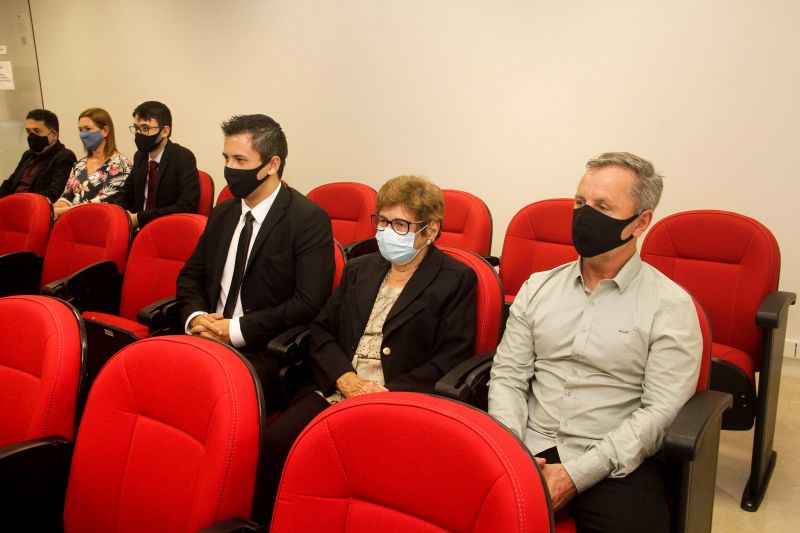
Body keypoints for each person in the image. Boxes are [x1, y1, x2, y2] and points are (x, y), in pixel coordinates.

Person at [488, 152, 702, 533]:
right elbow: (508, 376)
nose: (585, 215)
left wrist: (575, 474)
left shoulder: (669, 306)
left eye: (602, 207)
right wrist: (512, 450)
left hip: (611, 461)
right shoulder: (538, 288)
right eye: (580, 203)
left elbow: (659, 412)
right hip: (527, 443)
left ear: (641, 222)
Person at [261, 175, 478, 521]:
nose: (387, 232)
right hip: (337, 387)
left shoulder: (456, 279)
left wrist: (383, 393)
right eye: (383, 221)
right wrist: (345, 379)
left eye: (401, 225)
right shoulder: (360, 268)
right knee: (277, 442)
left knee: (361, 470)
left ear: (431, 230)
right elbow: (323, 329)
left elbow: (451, 358)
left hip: (396, 399)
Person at [176, 114, 334, 408]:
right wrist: (197, 317)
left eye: (240, 160)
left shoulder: (308, 219)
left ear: (272, 165)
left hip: (262, 350)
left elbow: (308, 303)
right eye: (226, 158)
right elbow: (190, 276)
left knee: (199, 397)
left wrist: (235, 330)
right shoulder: (223, 214)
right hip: (204, 335)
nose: (229, 169)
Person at [115, 101, 199, 229]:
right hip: (137, 231)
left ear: (164, 131)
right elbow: (126, 194)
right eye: (137, 128)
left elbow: (187, 206)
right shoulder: (140, 157)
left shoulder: (183, 157)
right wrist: (116, 212)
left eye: (145, 128)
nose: (139, 134)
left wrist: (139, 218)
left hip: (167, 229)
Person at [53, 108, 131, 219]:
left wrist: (59, 212)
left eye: (88, 129)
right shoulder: (80, 164)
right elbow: (67, 196)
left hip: (99, 222)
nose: (83, 134)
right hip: (71, 221)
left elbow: (100, 204)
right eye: (80, 130)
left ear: (105, 131)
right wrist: (53, 208)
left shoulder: (120, 165)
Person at [0, 109, 76, 202]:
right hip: (12, 203)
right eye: (28, 131)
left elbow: (55, 193)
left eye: (37, 131)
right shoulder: (28, 155)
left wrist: (21, 201)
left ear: (54, 135)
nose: (31, 136)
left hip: (34, 206)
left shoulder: (65, 157)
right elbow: (10, 183)